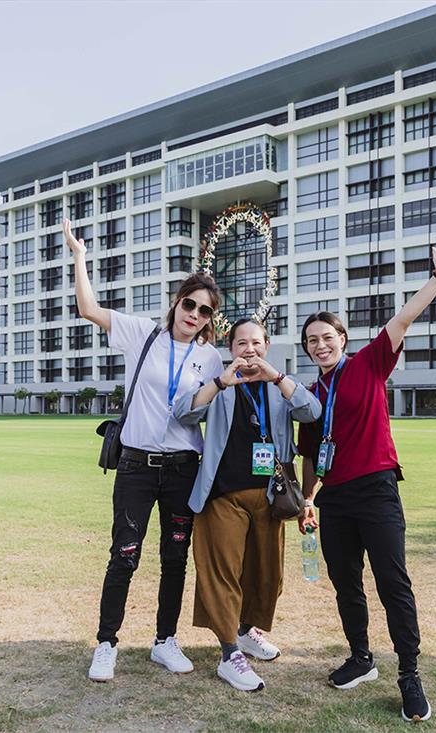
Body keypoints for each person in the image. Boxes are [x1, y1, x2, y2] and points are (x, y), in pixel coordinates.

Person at [297, 241, 436, 723]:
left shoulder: (369, 363)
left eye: (327, 336)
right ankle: (361, 657)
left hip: (376, 488)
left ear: (342, 338)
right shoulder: (310, 396)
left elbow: (403, 319)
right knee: (345, 582)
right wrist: (308, 499)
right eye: (312, 340)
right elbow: (310, 453)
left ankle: (409, 675)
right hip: (335, 498)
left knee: (393, 583)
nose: (320, 344)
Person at [61, 219, 224, 683]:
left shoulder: (210, 359)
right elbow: (88, 307)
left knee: (175, 558)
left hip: (182, 469)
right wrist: (80, 256)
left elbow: (215, 412)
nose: (194, 314)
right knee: (125, 555)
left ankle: (164, 641)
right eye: (189, 304)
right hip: (135, 466)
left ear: (210, 320)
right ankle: (107, 643)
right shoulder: (141, 334)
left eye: (204, 311)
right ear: (177, 303)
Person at [173, 317, 321, 692]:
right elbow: (183, 412)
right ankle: (228, 654)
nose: (249, 350)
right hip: (222, 495)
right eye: (241, 344)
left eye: (256, 343)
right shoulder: (221, 385)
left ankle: (244, 632)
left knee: (265, 575)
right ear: (231, 349)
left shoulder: (279, 386)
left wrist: (276, 378)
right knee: (222, 571)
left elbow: (312, 412)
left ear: (267, 346)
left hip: (271, 497)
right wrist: (221, 381)